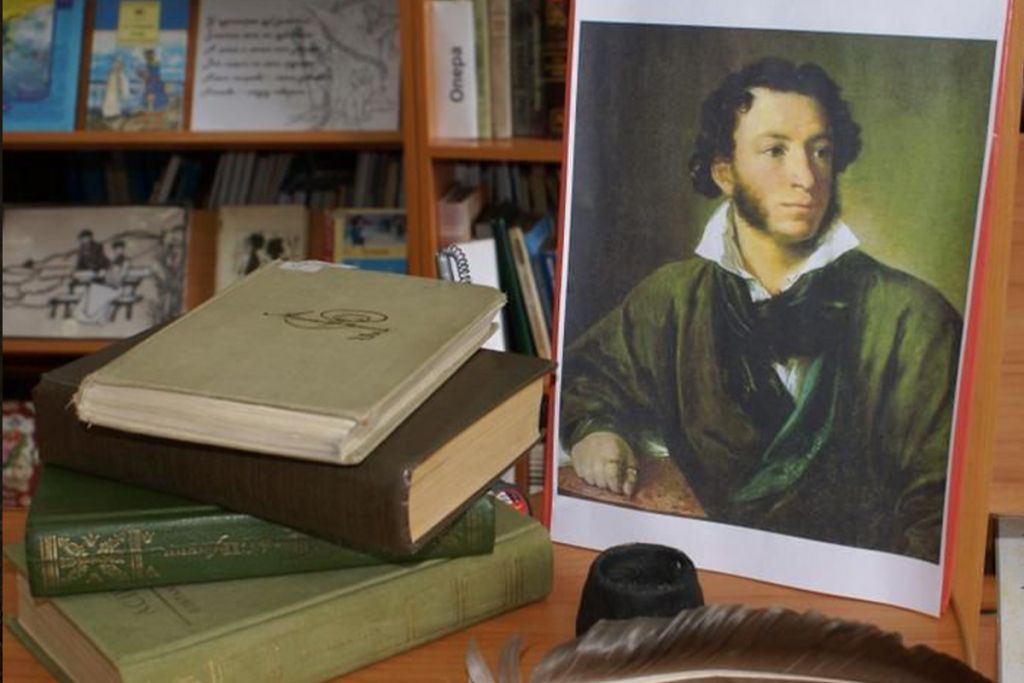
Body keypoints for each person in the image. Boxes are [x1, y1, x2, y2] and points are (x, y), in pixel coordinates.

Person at [559, 57, 961, 563]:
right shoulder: (671, 299)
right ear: (724, 172)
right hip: (708, 574)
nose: (806, 177)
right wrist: (595, 429)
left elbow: (937, 511)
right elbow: (585, 378)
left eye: (820, 151)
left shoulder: (915, 319)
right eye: (776, 150)